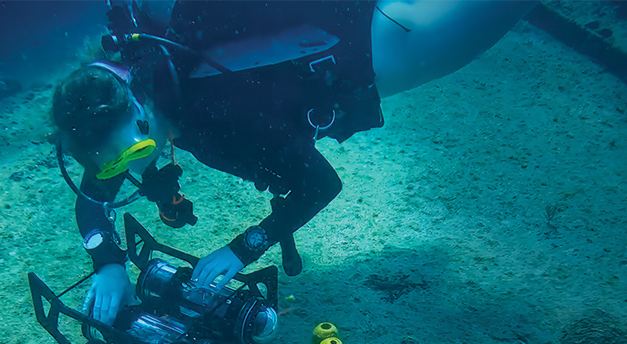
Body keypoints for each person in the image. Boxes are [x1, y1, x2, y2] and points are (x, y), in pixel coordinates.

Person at [52, 0, 534, 325]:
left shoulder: (215, 115)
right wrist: (107, 265)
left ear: (138, 106)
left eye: (136, 153)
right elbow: (92, 204)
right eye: (114, 167)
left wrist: (240, 250)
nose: (131, 169)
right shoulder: (129, 81)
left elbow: (320, 185)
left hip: (386, 46)